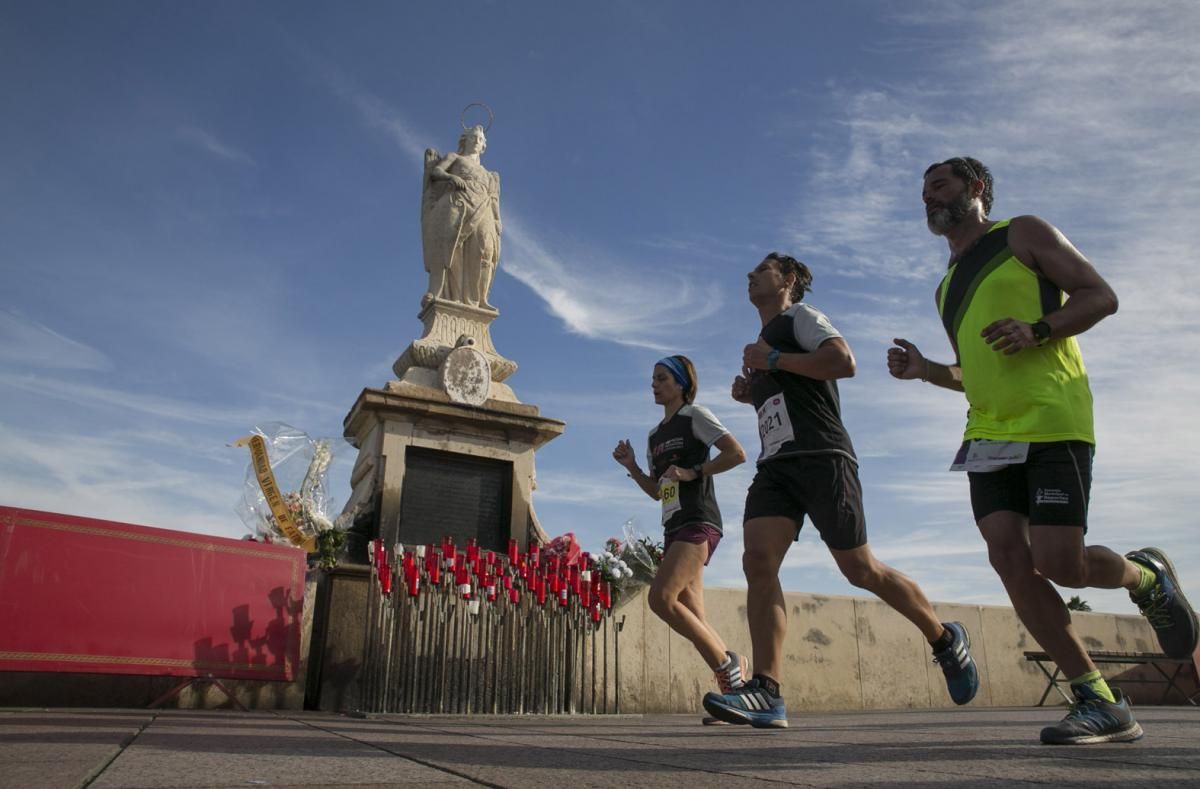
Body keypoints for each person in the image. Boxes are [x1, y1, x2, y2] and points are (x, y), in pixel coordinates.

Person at [888, 156, 1197, 745]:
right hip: (986, 431)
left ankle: (1145, 576)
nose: (927, 198)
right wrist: (927, 369)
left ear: (976, 189)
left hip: (1052, 418)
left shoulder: (1021, 234)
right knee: (1008, 560)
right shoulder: (946, 285)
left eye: (940, 186)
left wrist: (1038, 329)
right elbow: (969, 370)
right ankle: (1098, 699)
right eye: (923, 192)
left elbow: (1099, 296)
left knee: (1060, 563)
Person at [702, 254, 979, 729]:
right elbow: (790, 397)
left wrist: (773, 361)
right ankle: (767, 690)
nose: (749, 276)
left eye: (762, 270)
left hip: (824, 458)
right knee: (758, 561)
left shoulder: (801, 318)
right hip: (777, 466)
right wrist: (756, 394)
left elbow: (842, 361)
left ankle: (943, 637)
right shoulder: (761, 343)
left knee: (859, 569)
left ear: (788, 281)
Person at [612, 355, 749, 723]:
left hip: (699, 521)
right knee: (696, 616)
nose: (654, 385)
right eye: (652, 379)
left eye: (661, 379)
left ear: (681, 383)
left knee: (661, 598)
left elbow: (736, 453)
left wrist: (694, 471)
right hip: (673, 528)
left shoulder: (696, 416)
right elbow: (658, 492)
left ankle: (728, 665)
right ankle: (735, 695)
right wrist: (632, 467)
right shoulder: (654, 436)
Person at [420, 124, 502, 310]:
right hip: (459, 203)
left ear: (483, 146)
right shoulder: (454, 158)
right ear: (465, 140)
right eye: (474, 137)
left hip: (484, 208)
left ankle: (480, 299)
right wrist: (451, 178)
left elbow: (494, 199)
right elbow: (436, 171)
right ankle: (451, 296)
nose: (477, 141)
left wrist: (497, 221)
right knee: (453, 248)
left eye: (480, 139)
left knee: (485, 251)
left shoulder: (490, 174)